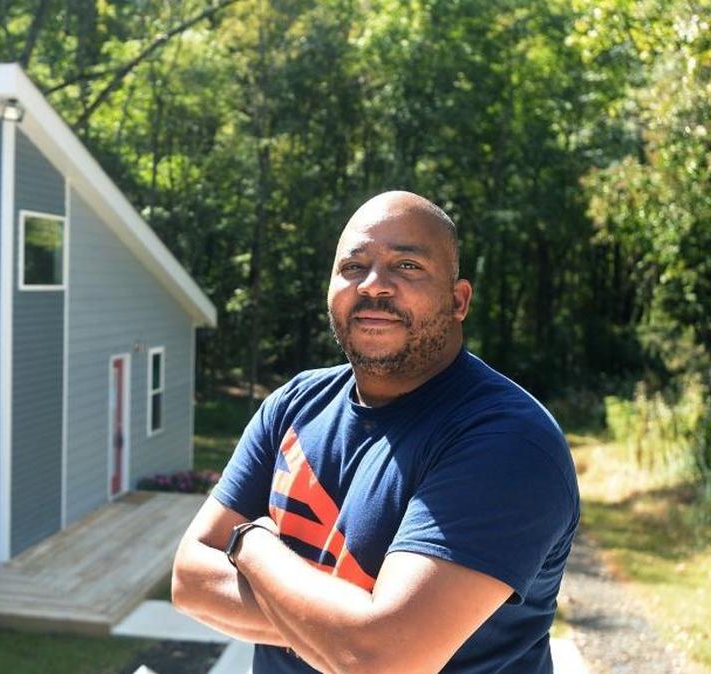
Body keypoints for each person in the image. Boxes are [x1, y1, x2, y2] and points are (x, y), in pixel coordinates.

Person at [172, 191, 579, 674]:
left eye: (406, 266)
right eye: (352, 266)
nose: (374, 286)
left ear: (458, 300)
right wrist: (342, 634)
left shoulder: (507, 442)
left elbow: (384, 660)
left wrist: (250, 543)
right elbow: (189, 580)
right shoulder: (293, 406)